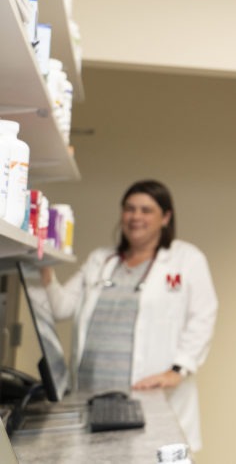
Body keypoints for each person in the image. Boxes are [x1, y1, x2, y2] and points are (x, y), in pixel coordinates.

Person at [42, 179, 218, 451]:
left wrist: (178, 369)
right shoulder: (101, 260)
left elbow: (203, 316)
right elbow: (60, 307)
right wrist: (43, 267)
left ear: (166, 217)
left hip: (148, 397)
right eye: (130, 208)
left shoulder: (186, 259)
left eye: (146, 210)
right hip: (91, 394)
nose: (136, 217)